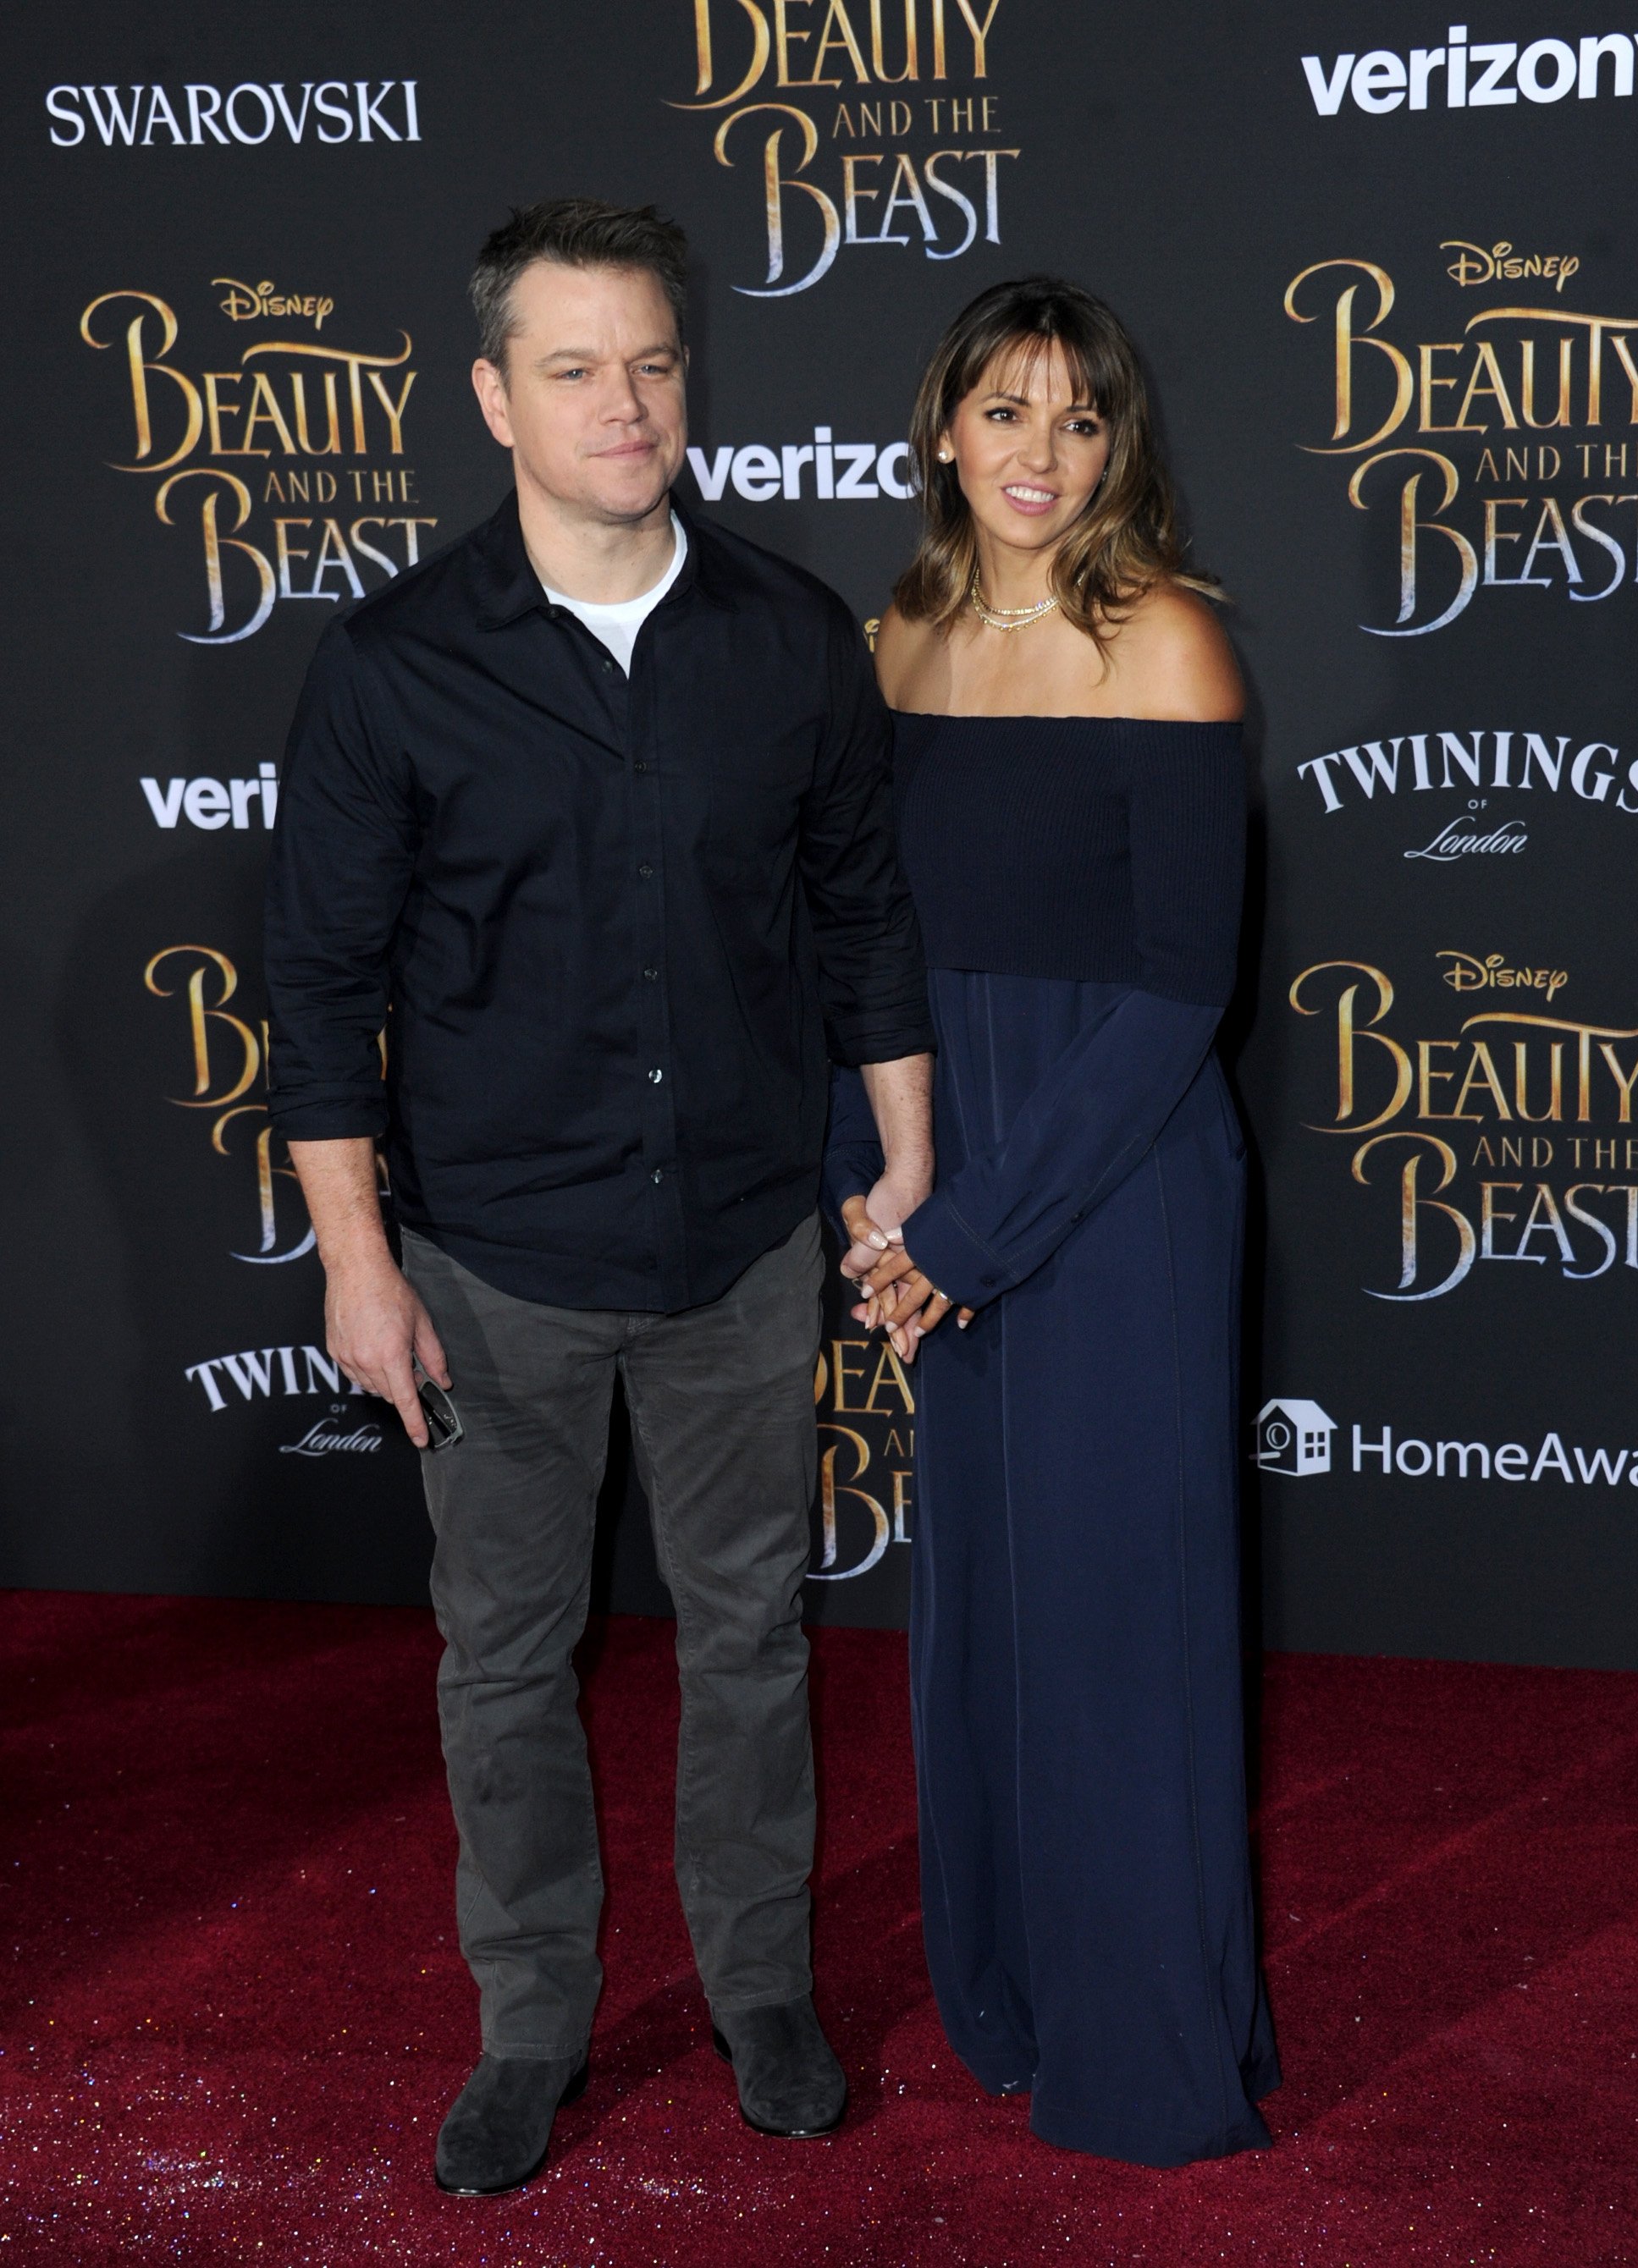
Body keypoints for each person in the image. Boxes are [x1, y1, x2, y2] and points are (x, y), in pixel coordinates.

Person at [263, 198, 935, 2197]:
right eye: (573, 367)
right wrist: (358, 1266)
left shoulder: (791, 636)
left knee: (749, 1637)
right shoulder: (392, 667)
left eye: (648, 360)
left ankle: (761, 1995)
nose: (622, 403)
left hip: (739, 1243)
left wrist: (902, 1155)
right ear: (492, 395)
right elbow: (319, 990)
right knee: (504, 1659)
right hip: (491, 1263)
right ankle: (531, 2020)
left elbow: (861, 917)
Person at [833, 276, 1279, 2169]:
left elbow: (1183, 994)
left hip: (1115, 1176)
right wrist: (880, 1186)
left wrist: (972, 1229)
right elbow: (863, 948)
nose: (1039, 455)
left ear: (1118, 446)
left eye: (1077, 420)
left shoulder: (1166, 641)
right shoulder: (892, 640)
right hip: (944, 1166)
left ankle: (1147, 2049)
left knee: (1118, 1623)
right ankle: (1004, 1995)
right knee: (984, 1624)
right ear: (941, 429)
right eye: (1004, 414)